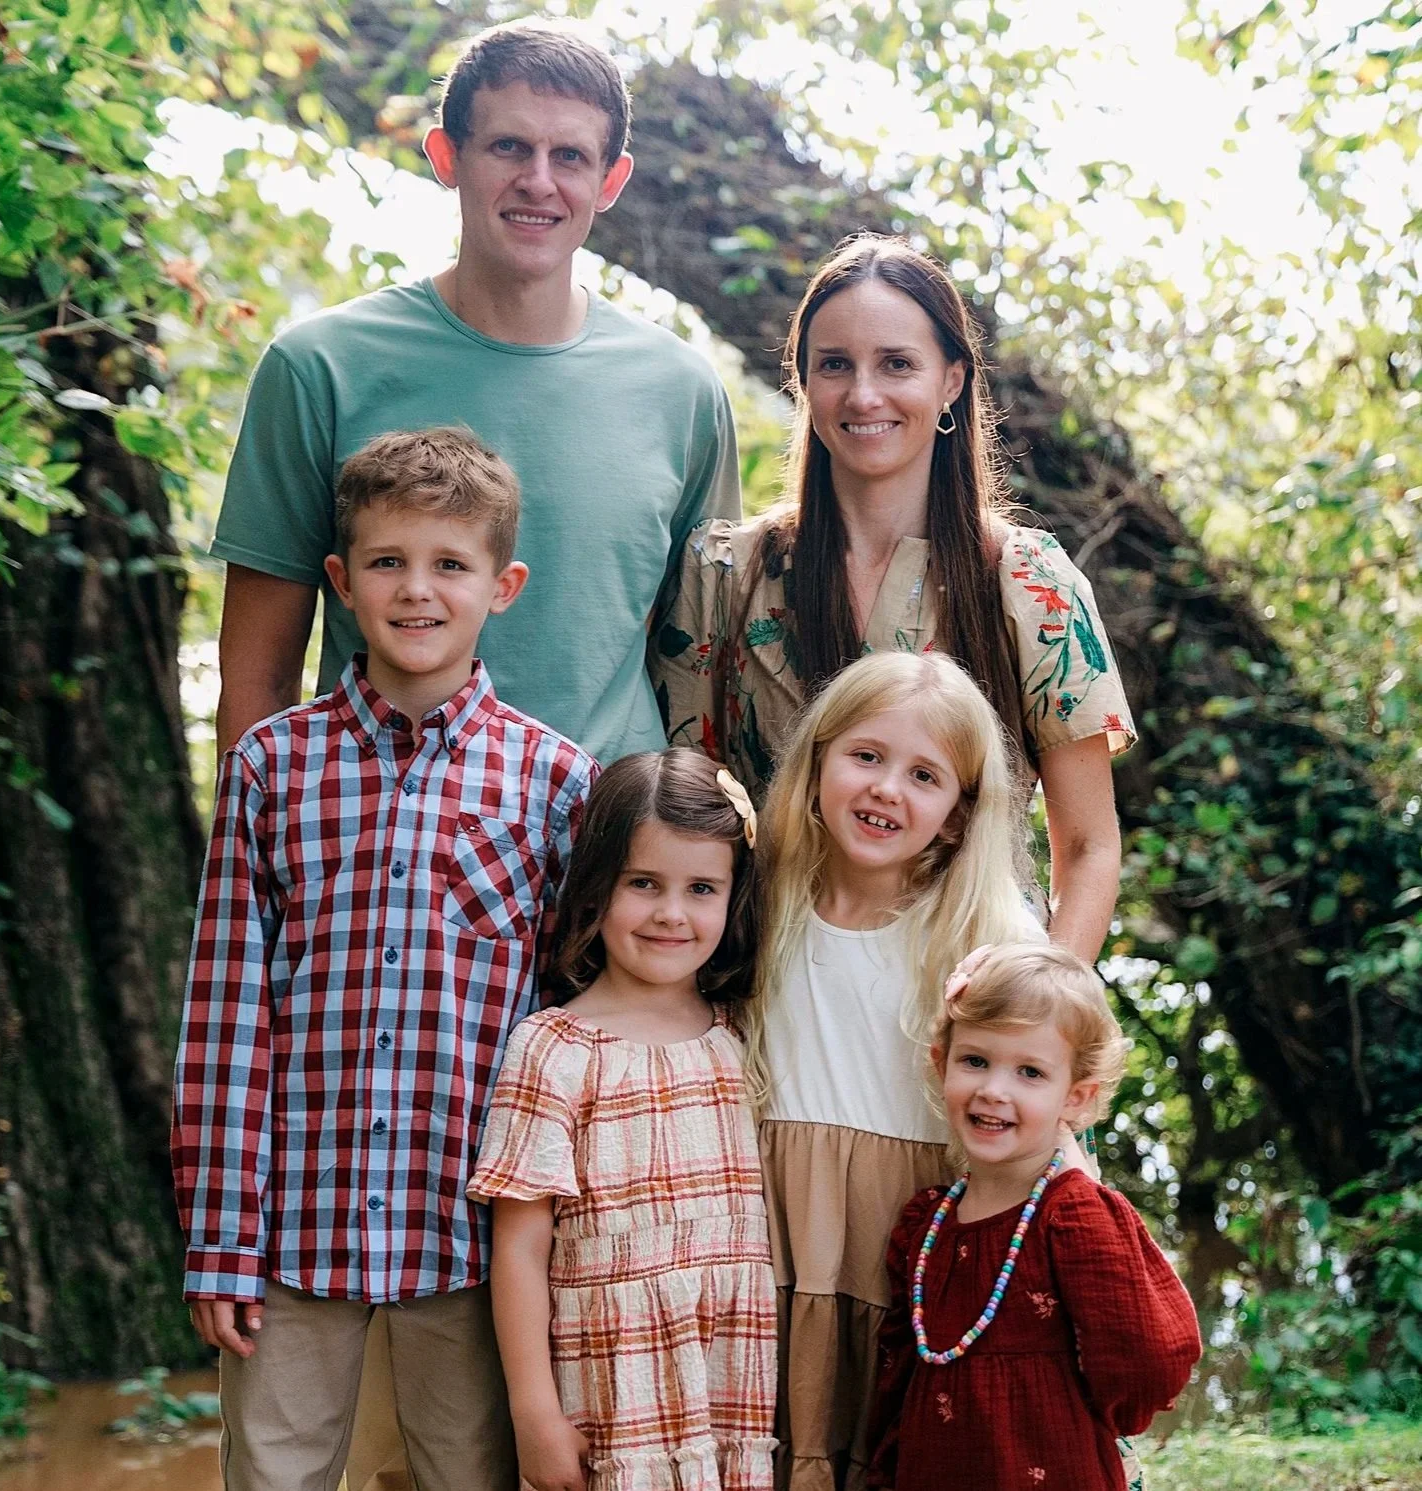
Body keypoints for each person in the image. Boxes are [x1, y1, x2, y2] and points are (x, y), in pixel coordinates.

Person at [171, 428, 598, 1491]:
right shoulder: (272, 768)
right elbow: (226, 1017)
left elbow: (570, 1034)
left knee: (470, 1475)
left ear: (503, 585)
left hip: (472, 1244)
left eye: (450, 565)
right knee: (273, 1476)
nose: (419, 591)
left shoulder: (555, 784)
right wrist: (221, 1237)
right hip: (291, 1235)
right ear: (340, 582)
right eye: (388, 562)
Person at [212, 17, 740, 764]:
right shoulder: (319, 367)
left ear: (611, 180)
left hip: (608, 855)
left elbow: (700, 663)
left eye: (570, 156)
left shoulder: (681, 392)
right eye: (508, 147)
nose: (538, 181)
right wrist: (251, 865)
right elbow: (255, 680)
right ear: (446, 155)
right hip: (381, 846)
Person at [651, 234, 1132, 963]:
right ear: (802, 382)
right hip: (776, 990)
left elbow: (1091, 846)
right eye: (834, 365)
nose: (863, 394)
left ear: (950, 381)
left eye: (896, 364)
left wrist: (1044, 1014)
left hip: (972, 1005)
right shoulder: (724, 573)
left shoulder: (1026, 579)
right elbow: (688, 816)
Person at [745, 649, 1050, 1491]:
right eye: (866, 756)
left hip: (914, 1253)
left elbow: (1048, 1122)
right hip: (771, 1236)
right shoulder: (753, 903)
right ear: (815, 765)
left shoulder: (989, 938)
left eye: (924, 775)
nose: (886, 789)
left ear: (956, 814)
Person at [469, 749, 777, 1491]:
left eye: (701, 887)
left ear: (732, 897)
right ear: (597, 888)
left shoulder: (745, 1035)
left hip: (733, 1382)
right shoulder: (554, 1047)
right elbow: (519, 1245)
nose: (673, 912)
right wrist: (532, 1411)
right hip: (613, 1389)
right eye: (644, 883)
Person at [869, 942, 1202, 1491]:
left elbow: (1147, 1359)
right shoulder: (926, 1226)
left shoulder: (1072, 1215)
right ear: (940, 1062)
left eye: (1030, 1072)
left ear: (1075, 1098)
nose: (994, 1090)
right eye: (975, 1060)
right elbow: (896, 1388)